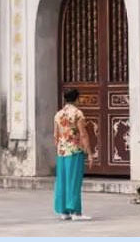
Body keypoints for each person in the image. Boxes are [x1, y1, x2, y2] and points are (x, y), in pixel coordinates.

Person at [53, 88, 93, 221]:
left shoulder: (58, 115)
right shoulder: (77, 113)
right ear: (77, 99)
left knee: (63, 181)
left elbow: (56, 135)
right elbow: (83, 134)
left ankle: (64, 211)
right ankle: (76, 212)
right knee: (74, 181)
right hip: (74, 150)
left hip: (62, 151)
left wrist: (60, 147)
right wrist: (89, 152)